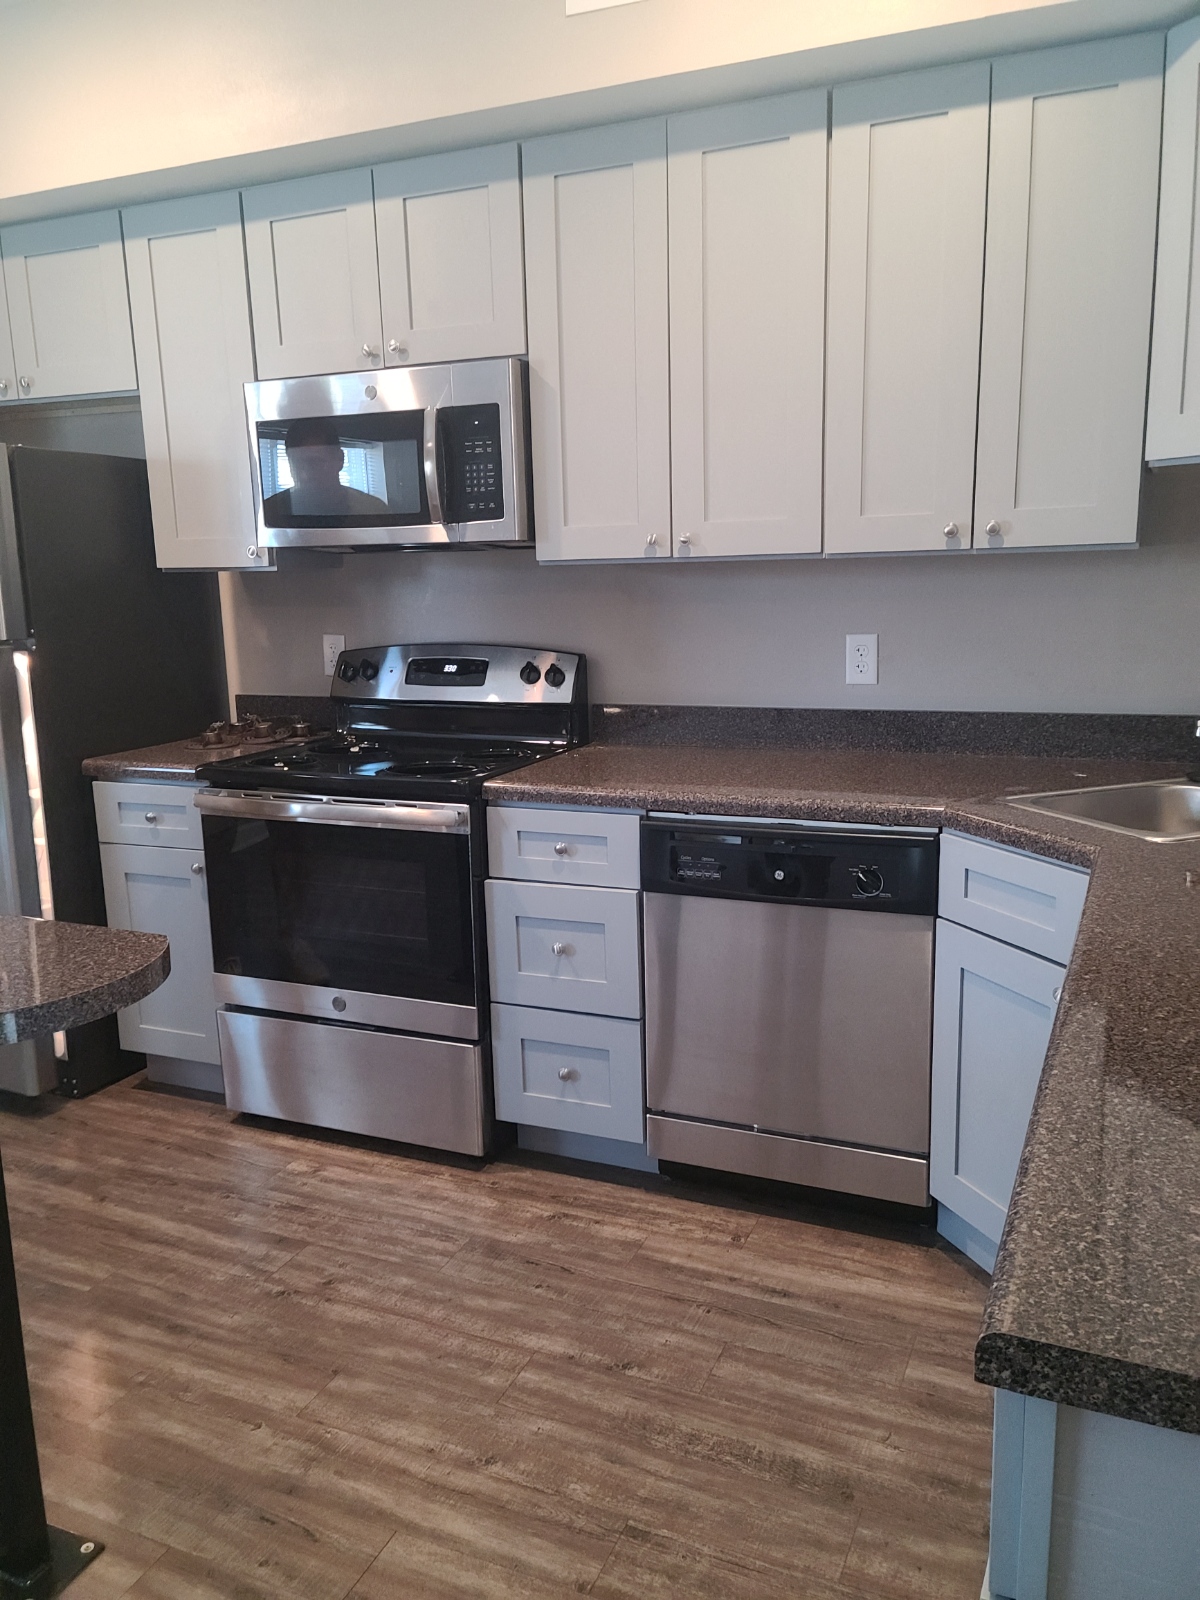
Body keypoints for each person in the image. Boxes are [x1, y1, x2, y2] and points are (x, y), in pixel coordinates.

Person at [262, 416, 389, 521]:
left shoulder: (372, 511)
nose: (304, 475)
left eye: (315, 463)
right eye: (297, 464)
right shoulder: (270, 512)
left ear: (340, 459)